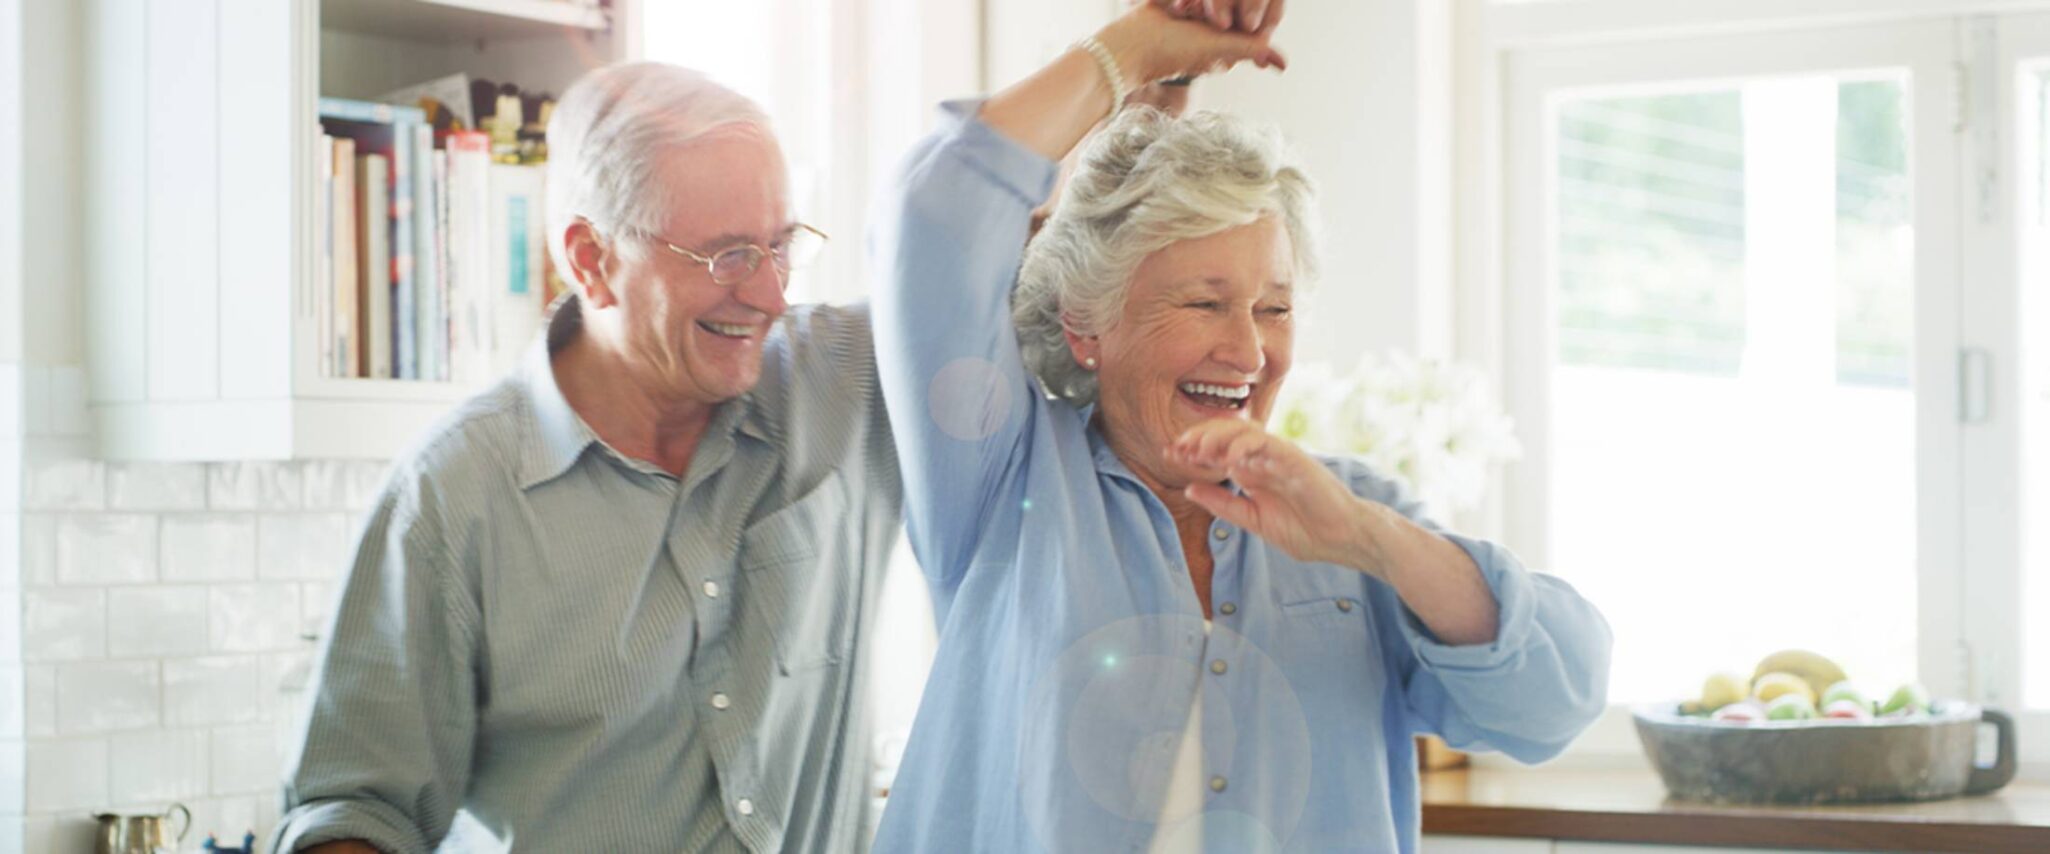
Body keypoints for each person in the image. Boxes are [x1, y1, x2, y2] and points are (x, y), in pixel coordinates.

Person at [868, 4, 1612, 851]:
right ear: (1087, 325)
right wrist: (1135, 47)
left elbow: (1558, 697)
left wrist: (1370, 539)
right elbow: (938, 211)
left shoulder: (1350, 515)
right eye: (1205, 303)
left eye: (1276, 306)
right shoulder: (1006, 483)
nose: (1251, 350)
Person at [273, 63, 902, 852]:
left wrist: (1107, 58)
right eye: (729, 257)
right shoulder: (455, 495)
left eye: (781, 246)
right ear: (591, 260)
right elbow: (353, 813)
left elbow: (996, 241)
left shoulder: (844, 381)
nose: (772, 294)